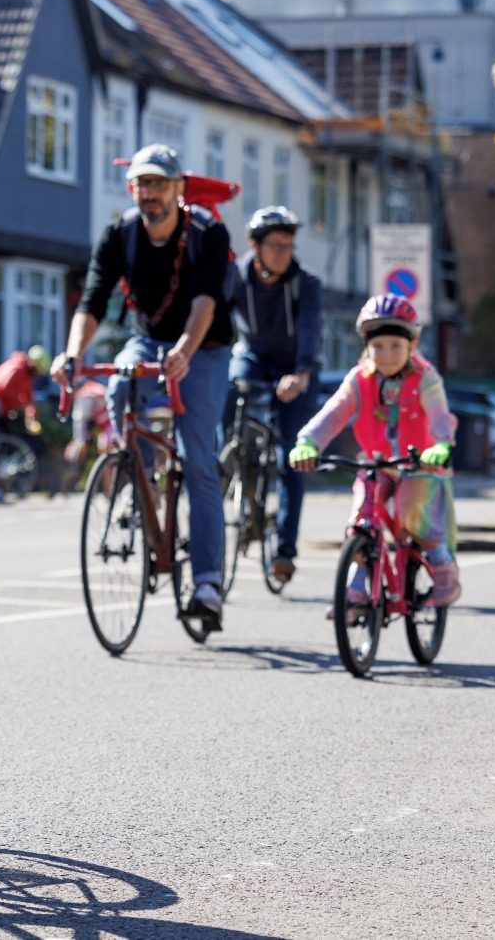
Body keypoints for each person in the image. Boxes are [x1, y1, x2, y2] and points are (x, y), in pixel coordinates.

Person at [52, 142, 233, 632]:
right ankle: (137, 470)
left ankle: (208, 584)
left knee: (198, 460)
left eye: (158, 183)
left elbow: (205, 303)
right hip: (148, 340)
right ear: (131, 188)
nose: (148, 192)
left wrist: (185, 353)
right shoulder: (120, 233)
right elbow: (93, 298)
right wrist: (73, 354)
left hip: (206, 345)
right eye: (141, 184)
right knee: (118, 387)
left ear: (179, 189)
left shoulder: (207, 232)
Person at [288, 295, 461, 616]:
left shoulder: (425, 378)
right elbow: (333, 413)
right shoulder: (359, 379)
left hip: (420, 465)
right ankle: (355, 589)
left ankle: (442, 565)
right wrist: (308, 442)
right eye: (378, 346)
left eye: (395, 345)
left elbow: (439, 415)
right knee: (360, 520)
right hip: (376, 463)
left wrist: (440, 445)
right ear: (367, 347)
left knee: (412, 515)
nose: (386, 355)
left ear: (412, 344)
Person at [222, 205, 324, 584]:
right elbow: (216, 318)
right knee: (228, 390)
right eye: (275, 245)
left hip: (296, 367)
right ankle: (229, 460)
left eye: (288, 246)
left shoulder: (306, 283)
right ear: (255, 245)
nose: (283, 253)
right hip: (252, 358)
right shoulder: (236, 277)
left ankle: (285, 550)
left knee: (290, 456)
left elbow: (311, 332)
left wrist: (300, 374)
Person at [0, 344, 52, 435]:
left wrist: (31, 417)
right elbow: (5, 389)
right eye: (37, 370)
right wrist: (21, 403)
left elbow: (29, 398)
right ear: (32, 363)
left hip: (5, 407)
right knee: (4, 432)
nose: (37, 374)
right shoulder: (17, 368)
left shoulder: (27, 375)